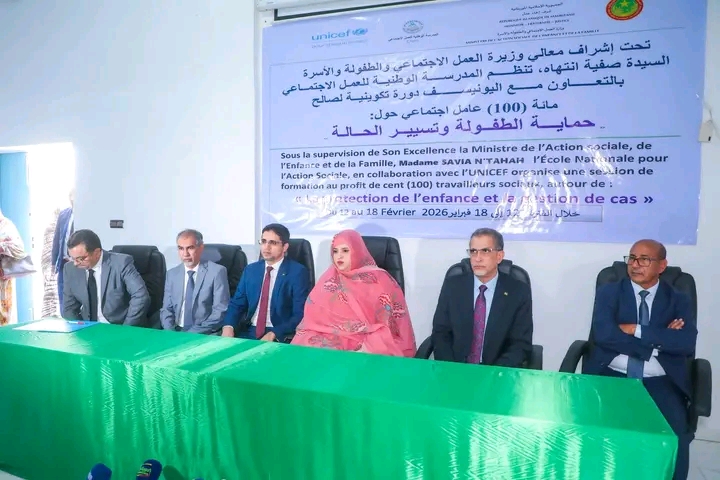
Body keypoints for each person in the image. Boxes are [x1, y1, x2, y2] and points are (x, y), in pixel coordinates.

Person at [583, 239, 696, 480]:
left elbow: (685, 343)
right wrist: (656, 344)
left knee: (675, 438)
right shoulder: (609, 292)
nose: (635, 265)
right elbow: (604, 335)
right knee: (594, 431)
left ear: (661, 266)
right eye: (632, 258)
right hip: (611, 376)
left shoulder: (679, 299)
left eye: (644, 259)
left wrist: (636, 329)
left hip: (660, 380)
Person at [291, 229, 416, 357]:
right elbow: (313, 319)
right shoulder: (329, 278)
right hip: (331, 341)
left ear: (357, 251)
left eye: (345, 251)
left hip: (366, 341)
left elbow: (389, 324)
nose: (339, 256)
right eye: (335, 251)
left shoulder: (379, 279)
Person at [431, 228, 532, 367]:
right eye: (473, 251)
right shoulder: (453, 286)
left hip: (497, 372)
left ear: (499, 256)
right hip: (456, 369)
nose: (477, 258)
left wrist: (493, 373)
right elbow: (440, 333)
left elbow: (520, 344)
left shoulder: (518, 291)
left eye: (485, 251)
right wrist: (452, 369)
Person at [221, 223, 309, 341]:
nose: (266, 247)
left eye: (273, 243)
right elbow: (237, 304)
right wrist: (228, 326)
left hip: (278, 333)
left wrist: (275, 333)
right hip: (248, 331)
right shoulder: (251, 270)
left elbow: (300, 313)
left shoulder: (297, 272)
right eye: (263, 241)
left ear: (285, 247)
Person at [62, 229, 150, 326]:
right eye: (73, 258)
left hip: (118, 326)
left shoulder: (121, 263)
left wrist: (126, 329)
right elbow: (69, 307)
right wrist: (79, 328)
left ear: (97, 253)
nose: (75, 263)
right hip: (87, 328)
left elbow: (140, 296)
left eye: (81, 259)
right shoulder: (70, 269)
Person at [160, 229, 229, 334]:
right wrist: (170, 332)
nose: (185, 254)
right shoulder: (172, 274)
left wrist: (190, 334)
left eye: (190, 248)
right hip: (176, 332)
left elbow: (220, 311)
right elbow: (166, 309)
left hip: (204, 332)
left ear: (201, 248)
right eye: (181, 248)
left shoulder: (217, 272)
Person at [0, 211, 26, 325]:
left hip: (3, 281)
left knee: (4, 317)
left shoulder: (7, 226)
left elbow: (19, 250)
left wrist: (2, 246)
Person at [52, 189, 74, 311]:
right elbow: (57, 239)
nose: (72, 199)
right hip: (63, 262)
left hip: (78, 263)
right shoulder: (64, 214)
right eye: (71, 196)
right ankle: (65, 317)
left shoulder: (86, 213)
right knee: (62, 294)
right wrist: (53, 262)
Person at [41, 208, 62, 317]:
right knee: (52, 289)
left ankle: (48, 314)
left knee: (49, 288)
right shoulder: (54, 227)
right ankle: (50, 314)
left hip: (48, 261)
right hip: (51, 261)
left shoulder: (49, 227)